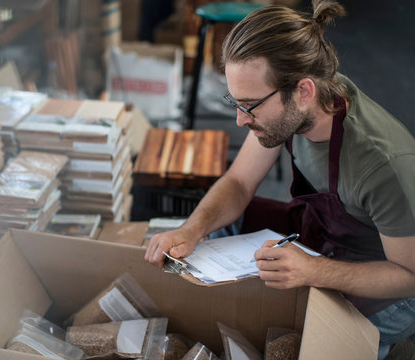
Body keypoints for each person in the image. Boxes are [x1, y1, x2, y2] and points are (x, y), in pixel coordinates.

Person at [144, 1, 415, 358]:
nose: (241, 121)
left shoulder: (383, 165)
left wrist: (315, 270)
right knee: (222, 230)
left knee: (302, 348)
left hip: (387, 290)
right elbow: (239, 182)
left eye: (251, 105)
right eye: (236, 103)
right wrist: (189, 231)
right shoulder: (299, 102)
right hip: (327, 237)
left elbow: (408, 275)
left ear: (303, 92)